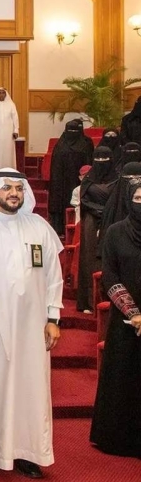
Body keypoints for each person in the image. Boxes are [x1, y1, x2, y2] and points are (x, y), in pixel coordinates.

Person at [0, 170, 62, 479]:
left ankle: (28, 452)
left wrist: (53, 317)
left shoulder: (39, 227)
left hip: (32, 327)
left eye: (19, 188)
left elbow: (54, 276)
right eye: (7, 187)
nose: (14, 193)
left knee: (31, 389)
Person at [91, 173, 141, 459]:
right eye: (138, 198)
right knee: (122, 377)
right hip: (125, 323)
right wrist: (134, 314)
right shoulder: (115, 232)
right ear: (128, 200)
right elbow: (110, 277)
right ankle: (118, 439)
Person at [76, 148, 117, 312]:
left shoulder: (118, 179)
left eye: (105, 159)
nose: (101, 163)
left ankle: (109, 301)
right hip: (91, 222)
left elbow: (119, 200)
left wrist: (107, 212)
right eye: (98, 160)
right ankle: (89, 301)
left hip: (112, 220)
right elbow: (84, 200)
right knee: (89, 258)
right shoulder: (88, 179)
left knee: (109, 258)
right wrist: (98, 211)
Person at [48, 119, 94, 232]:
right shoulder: (60, 145)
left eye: (75, 131)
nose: (72, 133)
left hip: (79, 180)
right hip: (61, 182)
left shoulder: (86, 144)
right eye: (70, 130)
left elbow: (89, 163)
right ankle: (60, 228)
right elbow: (55, 167)